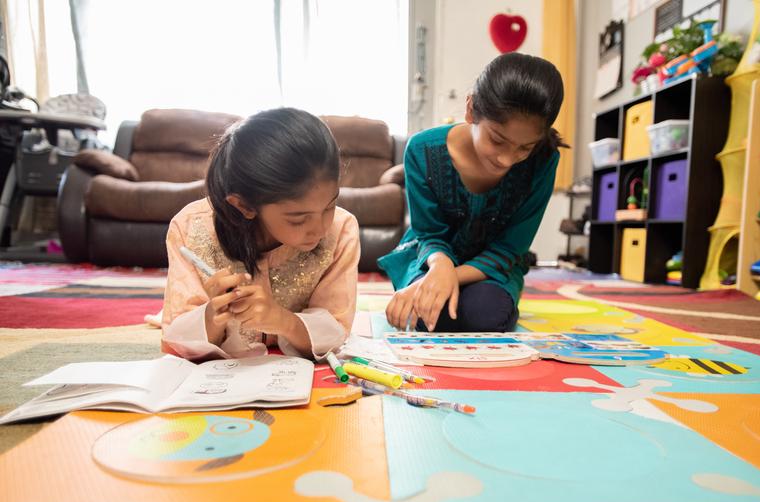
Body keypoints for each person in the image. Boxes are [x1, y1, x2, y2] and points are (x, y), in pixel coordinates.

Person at [378, 53, 565, 333]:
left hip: (491, 266)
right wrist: (438, 269)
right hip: (430, 256)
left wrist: (447, 277)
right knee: (426, 315)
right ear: (471, 108)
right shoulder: (421, 150)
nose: (506, 159)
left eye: (524, 148)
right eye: (497, 140)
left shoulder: (545, 160)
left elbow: (510, 248)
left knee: (486, 315)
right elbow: (428, 234)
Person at [161, 108, 360, 360]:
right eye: (298, 218)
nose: (321, 228)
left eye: (330, 206)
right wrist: (213, 315)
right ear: (244, 206)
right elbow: (176, 338)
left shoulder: (340, 229)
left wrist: (283, 321)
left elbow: (337, 328)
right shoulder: (191, 228)